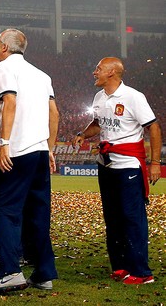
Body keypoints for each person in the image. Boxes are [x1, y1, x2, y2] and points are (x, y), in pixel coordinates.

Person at [73, 57, 162, 285]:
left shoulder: (133, 97)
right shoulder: (99, 97)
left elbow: (153, 127)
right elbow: (98, 123)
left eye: (98, 68)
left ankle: (142, 272)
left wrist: (154, 163)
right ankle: (121, 266)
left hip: (128, 166)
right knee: (112, 219)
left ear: (112, 72)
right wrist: (83, 134)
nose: (95, 72)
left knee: (132, 219)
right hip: (106, 165)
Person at [0, 28, 59, 295]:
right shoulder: (42, 75)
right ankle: (44, 273)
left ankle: (10, 272)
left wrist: (3, 144)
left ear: (4, 47)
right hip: (39, 151)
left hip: (17, 150)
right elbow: (54, 114)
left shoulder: (5, 68)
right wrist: (49, 149)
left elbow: (10, 102)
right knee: (37, 213)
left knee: (3, 208)